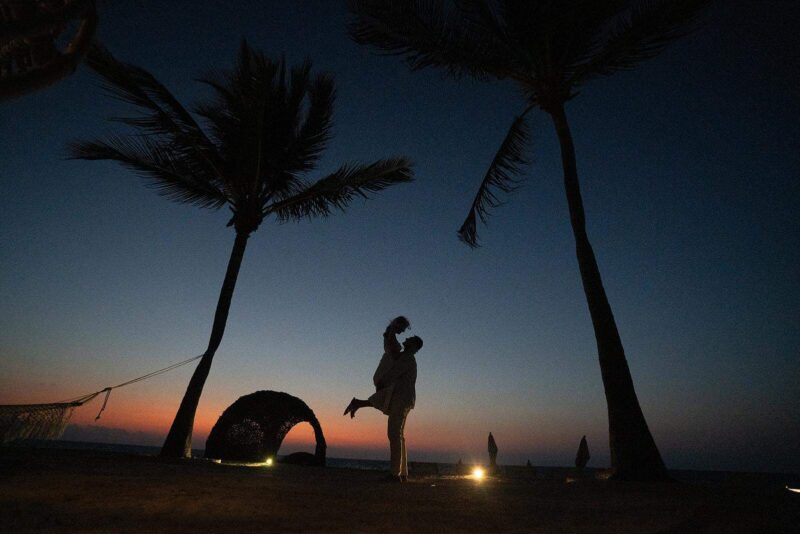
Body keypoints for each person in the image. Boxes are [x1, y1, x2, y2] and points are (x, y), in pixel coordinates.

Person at [344, 316, 423, 482]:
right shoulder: (404, 356)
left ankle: (395, 474)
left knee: (394, 434)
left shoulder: (407, 358)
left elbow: (394, 372)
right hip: (401, 397)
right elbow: (391, 350)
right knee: (398, 435)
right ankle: (402, 473)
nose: (407, 338)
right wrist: (391, 331)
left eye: (410, 338)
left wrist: (381, 383)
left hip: (401, 399)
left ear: (414, 345)